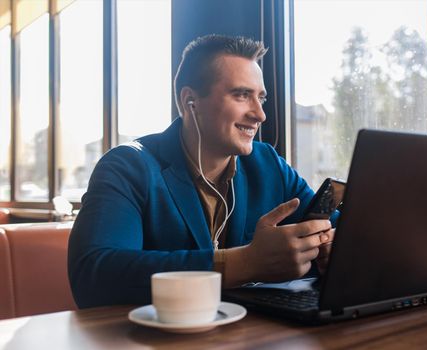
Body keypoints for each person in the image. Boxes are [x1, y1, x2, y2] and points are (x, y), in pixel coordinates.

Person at [68, 34, 336, 308]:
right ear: (189, 102)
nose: (260, 114)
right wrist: (245, 263)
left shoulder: (268, 163)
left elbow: (334, 227)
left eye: (261, 99)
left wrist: (331, 248)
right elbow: (94, 275)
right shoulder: (128, 167)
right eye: (242, 95)